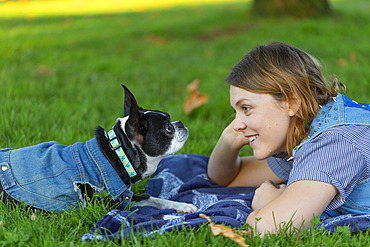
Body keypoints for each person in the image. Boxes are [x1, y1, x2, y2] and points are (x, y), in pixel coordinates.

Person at [207, 41, 370, 236]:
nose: (237, 123)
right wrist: (230, 138)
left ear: (292, 102)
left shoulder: (333, 144)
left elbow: (271, 227)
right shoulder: (302, 134)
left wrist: (269, 203)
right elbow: (228, 178)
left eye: (246, 108)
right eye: (236, 112)